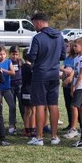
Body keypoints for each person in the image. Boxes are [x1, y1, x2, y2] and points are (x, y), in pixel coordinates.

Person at [27, 12, 66, 146]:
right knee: (53, 104)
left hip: (40, 74)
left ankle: (39, 137)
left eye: (33, 24)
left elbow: (32, 57)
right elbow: (62, 56)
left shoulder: (37, 37)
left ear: (38, 22)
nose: (34, 27)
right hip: (54, 74)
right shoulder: (59, 36)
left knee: (40, 105)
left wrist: (27, 56)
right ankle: (55, 136)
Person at [63, 38, 82, 139]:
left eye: (76, 46)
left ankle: (73, 129)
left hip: (81, 86)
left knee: (73, 106)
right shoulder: (77, 57)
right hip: (76, 85)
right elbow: (75, 72)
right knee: (81, 107)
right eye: (73, 46)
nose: (74, 48)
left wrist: (75, 86)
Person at [0, 45, 17, 134]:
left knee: (12, 106)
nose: (2, 56)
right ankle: (1, 126)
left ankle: (11, 125)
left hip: (7, 89)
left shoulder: (8, 62)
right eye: (0, 54)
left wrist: (3, 70)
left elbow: (13, 72)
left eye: (3, 54)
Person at [60, 41, 76, 131]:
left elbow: (74, 70)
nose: (67, 47)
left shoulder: (76, 58)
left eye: (68, 46)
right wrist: (66, 71)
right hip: (66, 84)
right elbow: (62, 67)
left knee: (74, 105)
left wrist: (69, 74)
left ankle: (77, 124)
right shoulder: (68, 58)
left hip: (73, 84)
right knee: (67, 104)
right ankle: (70, 124)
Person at [21, 48, 36, 137]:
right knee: (33, 110)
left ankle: (26, 129)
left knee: (27, 110)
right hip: (31, 90)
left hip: (24, 89)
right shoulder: (30, 67)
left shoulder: (23, 66)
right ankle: (32, 129)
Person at [9, 45, 24, 123]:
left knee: (22, 104)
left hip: (20, 85)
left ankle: (26, 122)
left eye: (16, 54)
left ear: (19, 54)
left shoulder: (21, 61)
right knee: (12, 105)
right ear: (9, 54)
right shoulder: (8, 62)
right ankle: (12, 124)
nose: (15, 56)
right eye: (13, 54)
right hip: (11, 86)